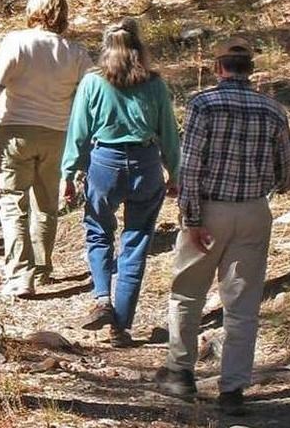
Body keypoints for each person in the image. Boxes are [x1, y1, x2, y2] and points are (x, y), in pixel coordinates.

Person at [153, 37, 290, 417]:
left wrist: (193, 218)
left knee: (188, 293)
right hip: (253, 211)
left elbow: (192, 166)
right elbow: (289, 175)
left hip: (209, 210)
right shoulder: (273, 110)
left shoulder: (203, 104)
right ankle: (233, 389)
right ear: (251, 69)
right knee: (242, 306)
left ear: (218, 68)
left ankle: (180, 374)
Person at [0, 0, 92, 298]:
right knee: (46, 205)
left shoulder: (15, 43)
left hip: (15, 133)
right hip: (58, 136)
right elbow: (90, 99)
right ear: (63, 14)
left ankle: (20, 274)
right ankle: (42, 268)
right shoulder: (76, 54)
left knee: (11, 204)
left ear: (32, 9)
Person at [62, 18, 180, 347]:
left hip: (104, 165)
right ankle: (121, 325)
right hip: (146, 165)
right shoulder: (154, 84)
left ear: (105, 47)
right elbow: (168, 132)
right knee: (136, 242)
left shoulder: (93, 83)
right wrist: (176, 172)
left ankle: (102, 298)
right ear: (138, 47)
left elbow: (79, 131)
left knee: (98, 231)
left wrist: (68, 173)